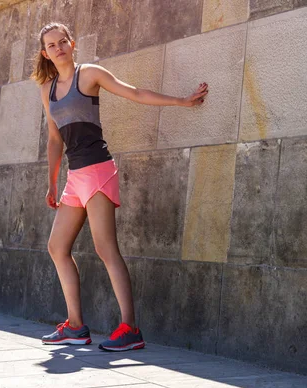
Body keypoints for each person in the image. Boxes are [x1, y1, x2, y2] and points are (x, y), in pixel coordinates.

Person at [30, 22, 208, 351]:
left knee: (105, 248)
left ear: (72, 44)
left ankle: (130, 329)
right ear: (45, 53)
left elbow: (135, 92)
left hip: (98, 169)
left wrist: (181, 102)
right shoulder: (48, 89)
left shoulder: (90, 74)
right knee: (57, 247)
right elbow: (55, 139)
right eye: (51, 45)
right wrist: (52, 182)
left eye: (62, 42)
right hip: (75, 177)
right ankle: (75, 326)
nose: (57, 48)